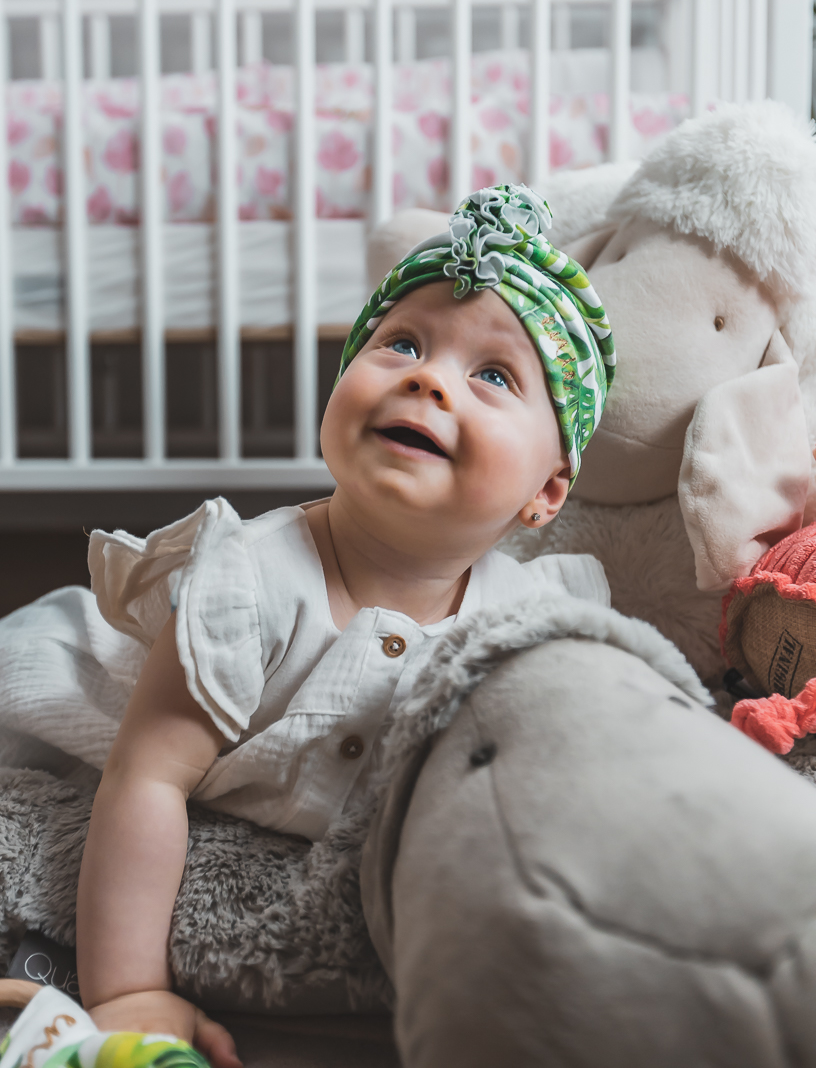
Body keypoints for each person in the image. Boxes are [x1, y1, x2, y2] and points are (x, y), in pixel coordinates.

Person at [0, 184, 615, 1066]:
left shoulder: (523, 621)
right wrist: (129, 990)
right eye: (401, 342)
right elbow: (146, 781)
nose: (428, 376)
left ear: (546, 493)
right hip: (57, 697)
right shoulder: (247, 584)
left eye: (493, 376)